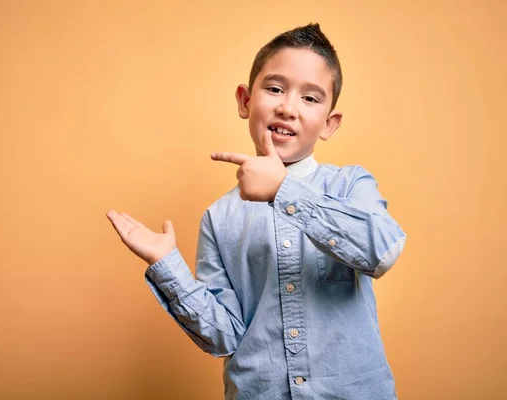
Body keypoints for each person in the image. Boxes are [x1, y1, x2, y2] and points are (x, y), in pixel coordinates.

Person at [107, 23, 406, 400]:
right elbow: (223, 336)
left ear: (330, 124)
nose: (287, 107)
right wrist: (166, 264)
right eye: (275, 89)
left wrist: (285, 190)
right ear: (245, 101)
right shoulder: (218, 218)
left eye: (310, 99)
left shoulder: (350, 185)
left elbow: (383, 251)